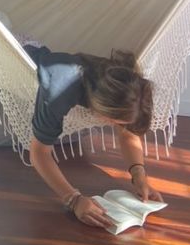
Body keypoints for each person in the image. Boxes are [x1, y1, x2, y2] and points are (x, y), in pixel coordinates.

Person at [26, 45, 164, 229]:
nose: (120, 127)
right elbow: (39, 153)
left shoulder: (126, 83)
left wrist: (139, 175)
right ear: (102, 110)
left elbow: (128, 135)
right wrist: (74, 200)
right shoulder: (57, 91)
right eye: (117, 122)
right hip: (19, 51)